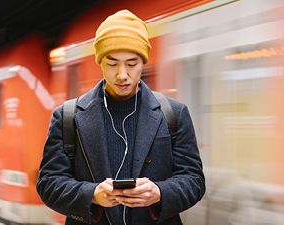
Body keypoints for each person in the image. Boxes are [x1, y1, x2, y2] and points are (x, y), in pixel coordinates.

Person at [37, 9, 205, 225]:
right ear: (100, 62)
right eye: (112, 63)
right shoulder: (68, 117)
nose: (122, 74)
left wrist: (159, 192)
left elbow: (194, 180)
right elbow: (48, 183)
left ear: (143, 62)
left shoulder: (173, 113)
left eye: (132, 63)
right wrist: (92, 195)